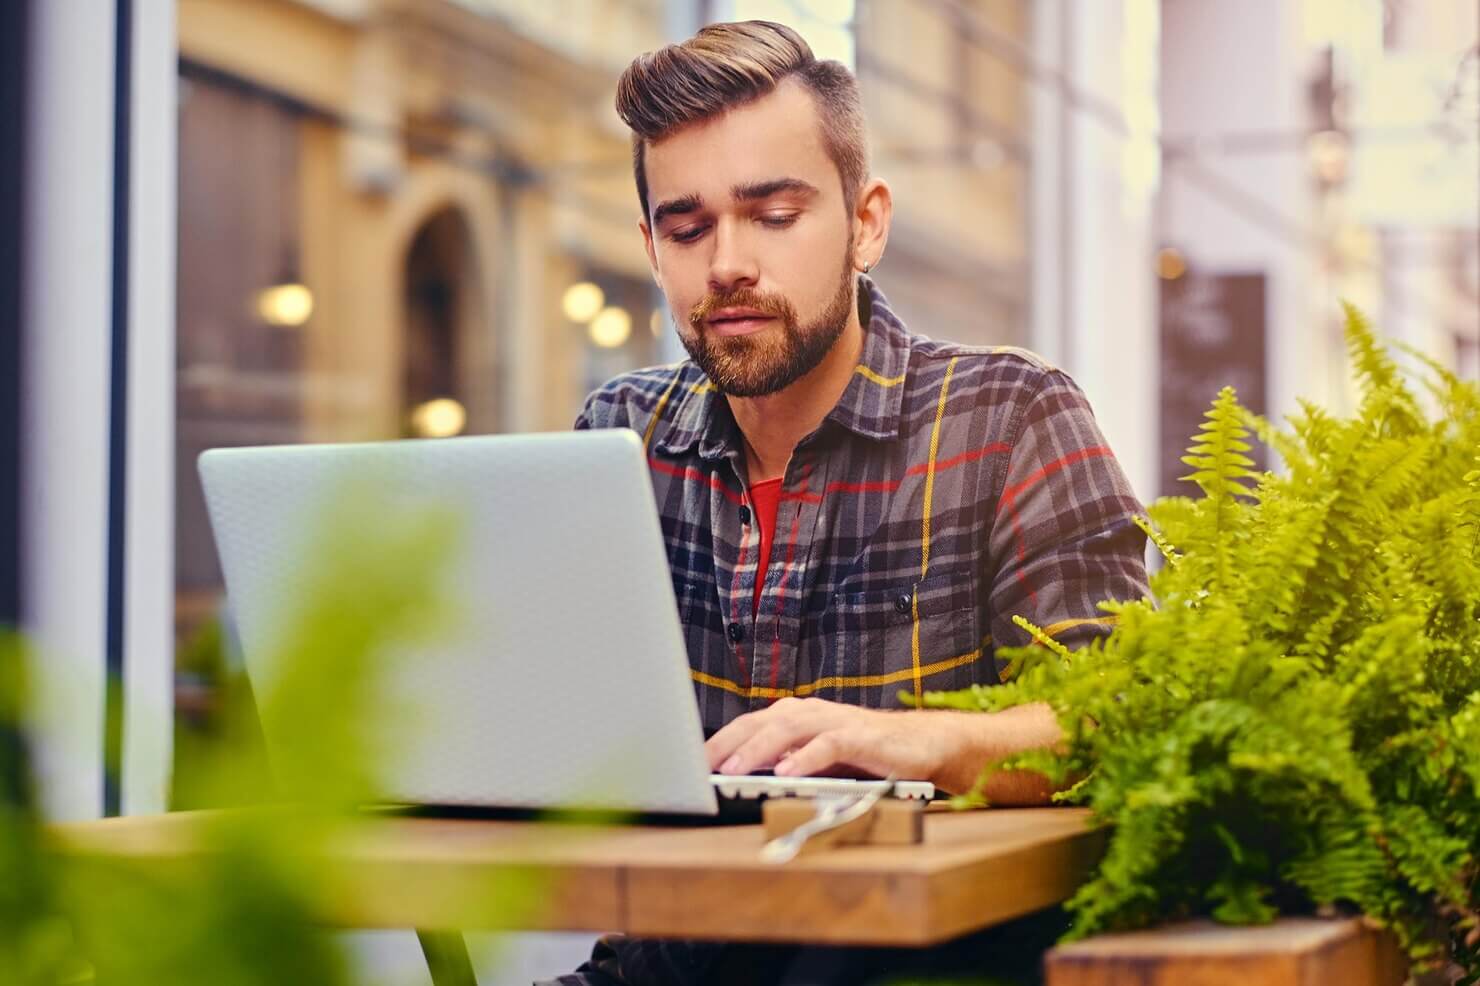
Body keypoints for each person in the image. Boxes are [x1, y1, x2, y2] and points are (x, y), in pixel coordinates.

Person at [553, 20, 1149, 986]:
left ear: (866, 221)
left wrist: (915, 740)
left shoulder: (1009, 418)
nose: (726, 264)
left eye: (774, 214)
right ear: (651, 247)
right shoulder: (621, 436)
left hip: (919, 965)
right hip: (666, 965)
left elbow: (1119, 727)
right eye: (687, 227)